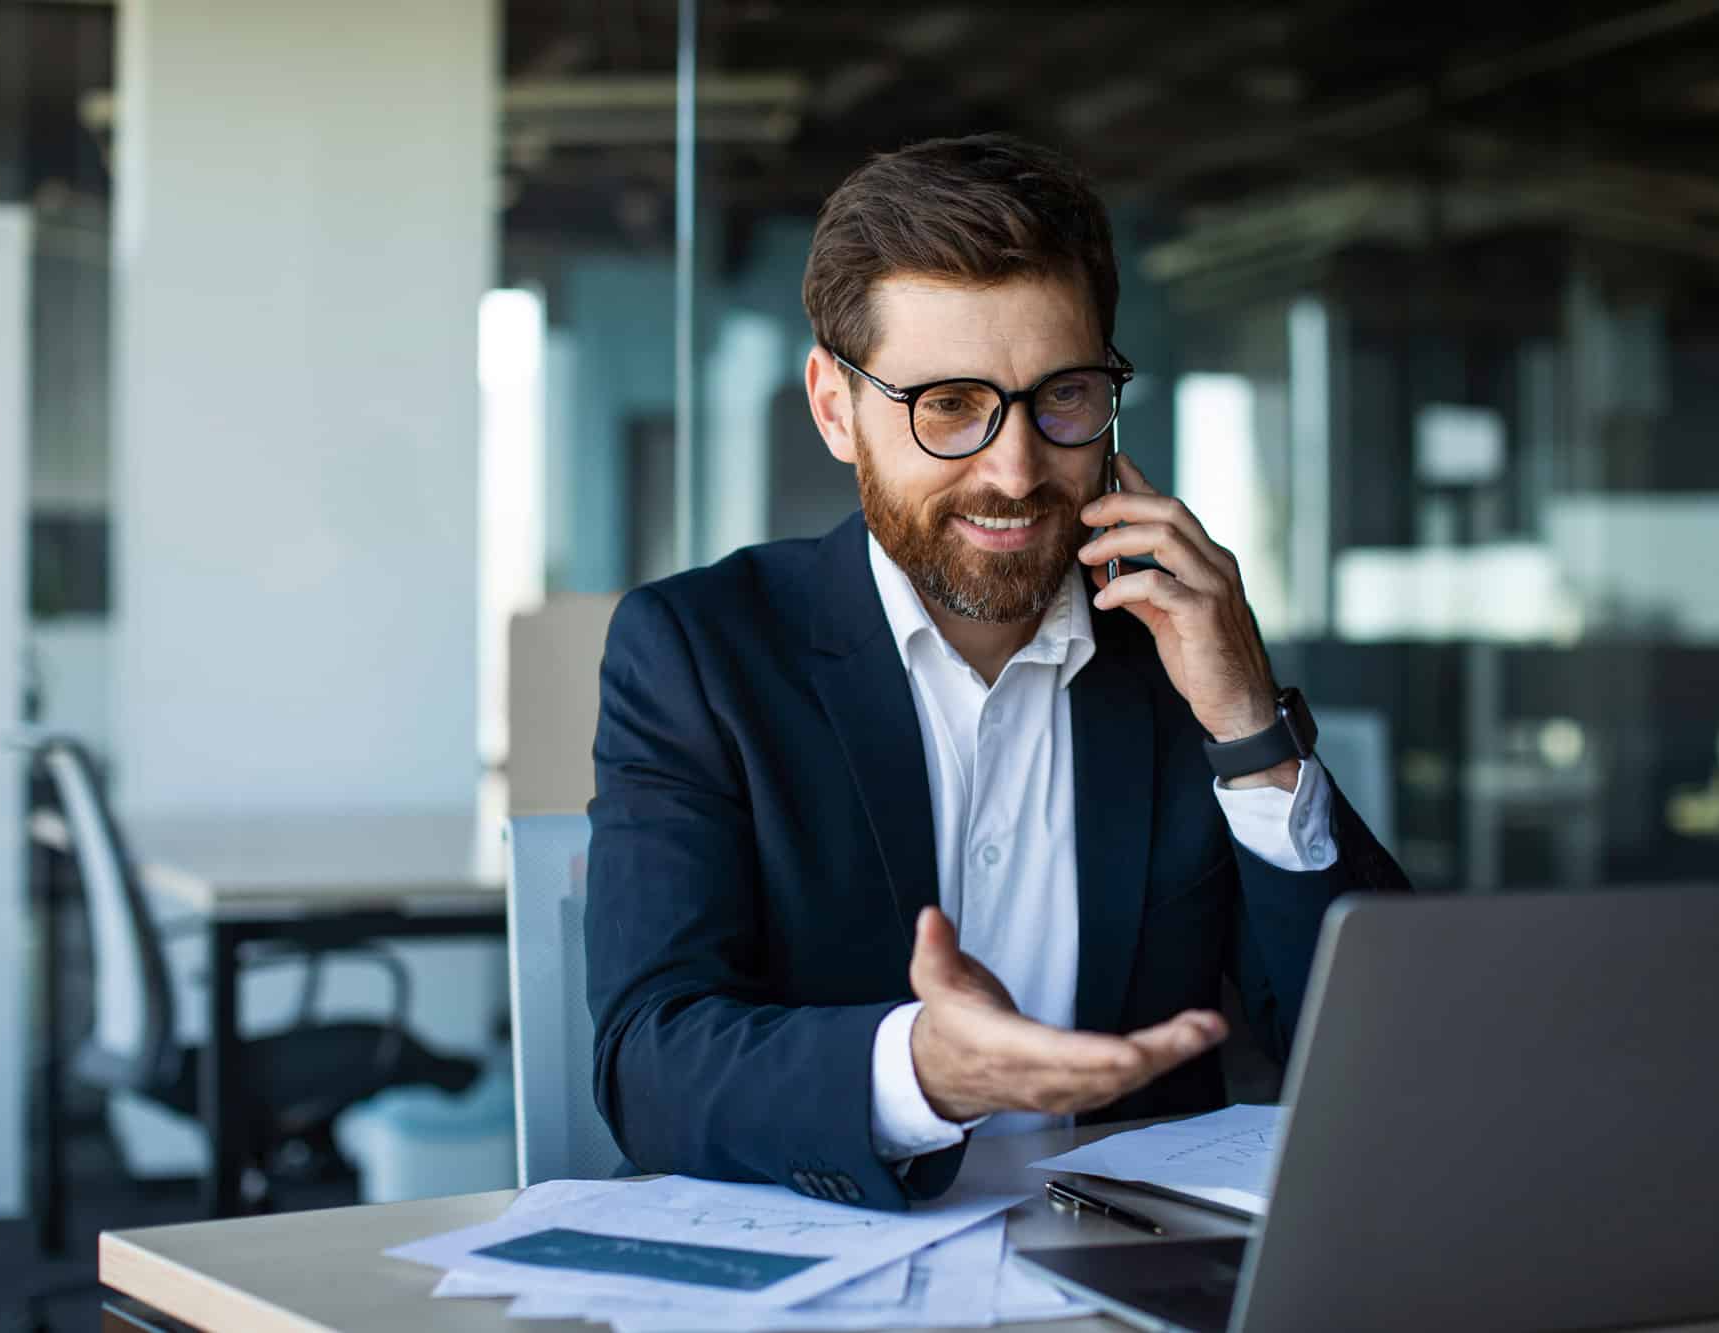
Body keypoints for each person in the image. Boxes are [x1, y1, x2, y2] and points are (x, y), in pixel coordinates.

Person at [585, 132, 1409, 1212]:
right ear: (835, 408)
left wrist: (1248, 725)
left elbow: (1386, 1059)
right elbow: (649, 1056)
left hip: (1145, 1276)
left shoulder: (1177, 651)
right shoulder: (699, 651)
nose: (1015, 468)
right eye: (948, 406)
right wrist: (922, 1071)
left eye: (1061, 396)